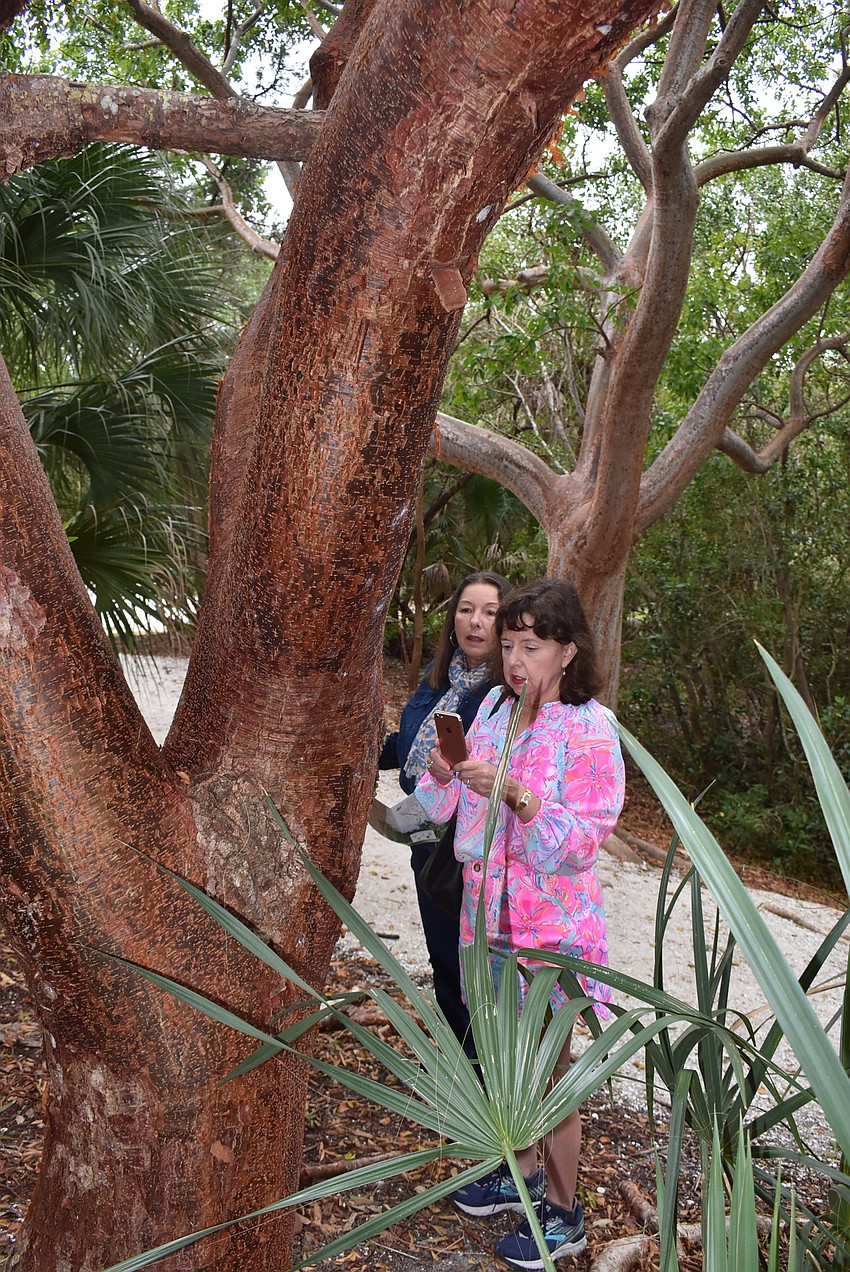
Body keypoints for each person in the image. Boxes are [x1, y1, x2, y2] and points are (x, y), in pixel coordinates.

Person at [414, 578, 625, 1270]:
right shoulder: (497, 711)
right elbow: (439, 808)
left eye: (531, 646)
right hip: (486, 922)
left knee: (549, 1073)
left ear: (567, 651)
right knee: (506, 1061)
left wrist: (518, 795)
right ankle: (521, 1176)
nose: (515, 660)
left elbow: (585, 840)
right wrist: (449, 772)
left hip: (552, 935)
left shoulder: (590, 726)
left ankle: (565, 1217)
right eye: (509, 645)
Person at [378, 570, 511, 1052]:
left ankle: (487, 1079)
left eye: (490, 613)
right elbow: (405, 745)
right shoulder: (437, 681)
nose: (475, 623)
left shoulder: (504, 695)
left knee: (472, 968)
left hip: (470, 845)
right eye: (466, 609)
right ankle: (463, 1070)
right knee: (442, 960)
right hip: (424, 839)